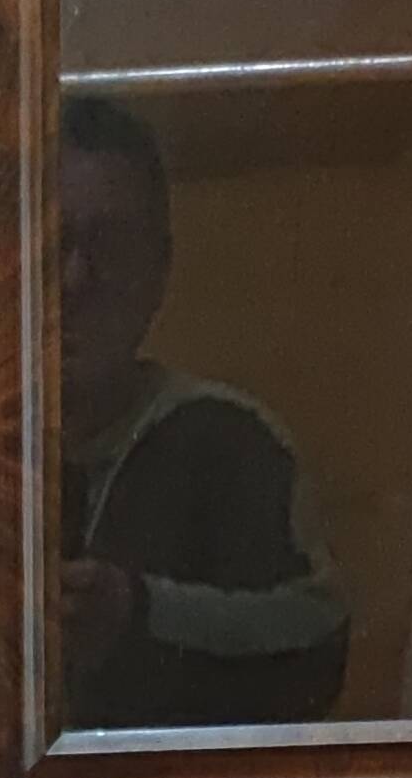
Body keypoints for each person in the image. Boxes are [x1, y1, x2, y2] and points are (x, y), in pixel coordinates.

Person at [58, 93, 349, 728]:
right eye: (51, 242)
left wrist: (137, 615)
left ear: (160, 269)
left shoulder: (230, 444)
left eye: (109, 244)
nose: (77, 279)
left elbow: (318, 651)